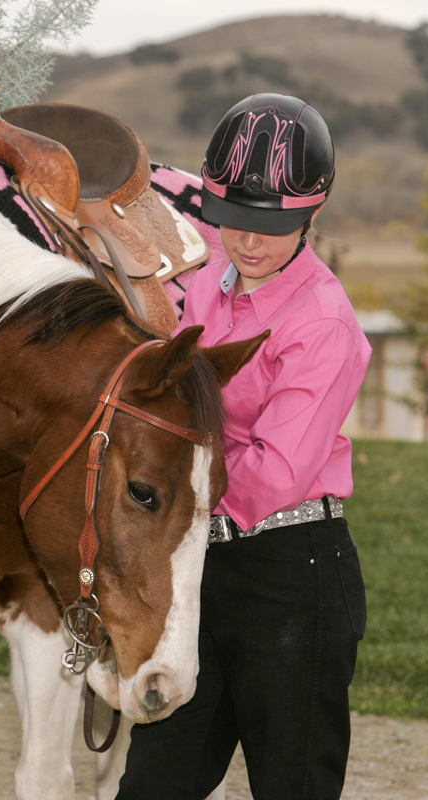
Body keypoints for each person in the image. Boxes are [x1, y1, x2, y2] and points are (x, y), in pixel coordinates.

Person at [116, 93, 371, 800]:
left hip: (290, 579)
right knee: (151, 787)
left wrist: (159, 492)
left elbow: (274, 474)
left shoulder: (322, 323)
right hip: (201, 564)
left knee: (290, 787)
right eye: (233, 220)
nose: (248, 242)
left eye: (271, 227)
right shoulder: (202, 289)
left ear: (311, 213)